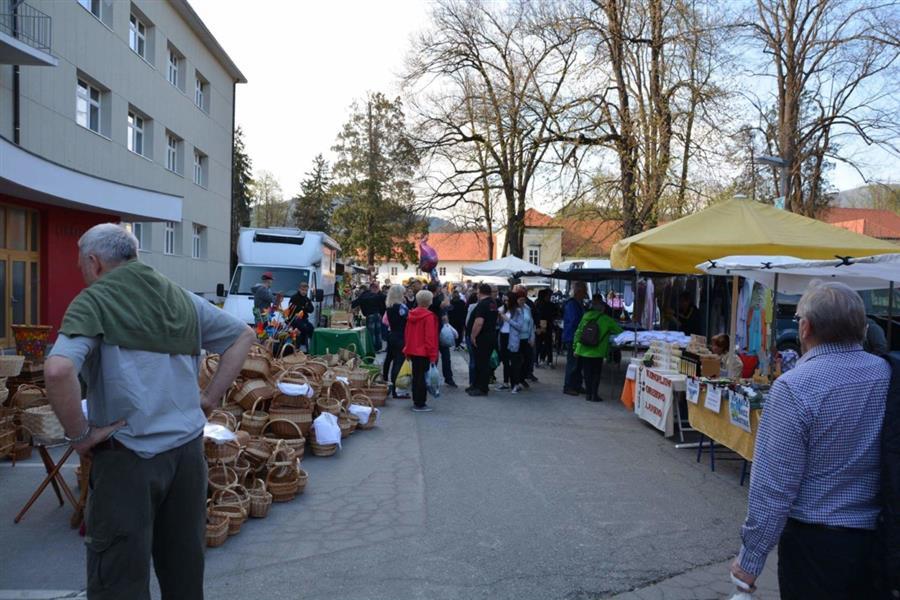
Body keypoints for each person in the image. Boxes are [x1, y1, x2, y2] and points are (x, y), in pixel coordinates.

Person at [44, 224, 255, 600]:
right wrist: (209, 398)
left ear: (94, 263)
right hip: (188, 457)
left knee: (119, 580)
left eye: (80, 266)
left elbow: (58, 371)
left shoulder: (96, 300)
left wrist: (81, 437)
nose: (83, 274)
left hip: (129, 461)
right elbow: (243, 336)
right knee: (184, 574)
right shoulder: (180, 297)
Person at [731, 282, 890, 598]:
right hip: (880, 542)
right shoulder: (888, 375)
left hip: (817, 549)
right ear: (863, 327)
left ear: (804, 327)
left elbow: (774, 487)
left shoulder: (794, 387)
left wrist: (749, 561)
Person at [574, 295, 624, 402]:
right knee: (596, 373)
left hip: (584, 350)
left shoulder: (585, 316)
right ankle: (594, 395)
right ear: (603, 308)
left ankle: (588, 394)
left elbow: (578, 332)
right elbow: (619, 331)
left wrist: (575, 347)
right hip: (598, 351)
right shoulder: (607, 320)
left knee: (587, 373)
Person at [403, 289, 438, 412]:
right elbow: (430, 338)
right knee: (422, 378)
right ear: (429, 301)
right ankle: (420, 403)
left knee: (417, 377)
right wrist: (433, 355)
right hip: (423, 351)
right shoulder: (429, 316)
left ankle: (416, 400)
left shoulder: (411, 314)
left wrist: (407, 350)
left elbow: (407, 334)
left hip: (413, 350)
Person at [466, 283, 499, 396]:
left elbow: (479, 322)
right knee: (482, 362)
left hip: (482, 337)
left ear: (480, 292)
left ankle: (482, 388)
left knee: (481, 363)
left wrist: (473, 335)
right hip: (490, 335)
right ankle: (476, 385)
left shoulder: (482, 304)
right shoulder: (493, 303)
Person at [428, 282, 457, 388]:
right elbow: (446, 304)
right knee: (437, 356)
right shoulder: (433, 299)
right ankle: (434, 378)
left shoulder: (433, 298)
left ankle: (446, 378)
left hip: (438, 330)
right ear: (436, 289)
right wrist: (445, 293)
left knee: (444, 356)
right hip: (435, 331)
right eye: (439, 287)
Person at [384, 284, 410, 399]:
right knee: (398, 362)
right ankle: (396, 390)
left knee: (389, 359)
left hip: (392, 335)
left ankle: (386, 383)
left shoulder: (389, 306)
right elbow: (408, 319)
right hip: (400, 336)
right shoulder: (401, 307)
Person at [562, 282, 588, 395]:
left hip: (576, 337)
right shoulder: (572, 304)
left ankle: (577, 385)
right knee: (573, 363)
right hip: (572, 336)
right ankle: (568, 386)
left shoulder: (577, 303)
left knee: (579, 363)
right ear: (579, 292)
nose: (586, 293)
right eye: (584, 291)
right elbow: (573, 321)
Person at [352, 282, 386, 352]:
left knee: (371, 333)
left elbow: (354, 304)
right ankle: (378, 347)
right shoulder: (377, 295)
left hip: (370, 315)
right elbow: (382, 305)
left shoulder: (363, 296)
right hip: (378, 314)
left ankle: (372, 348)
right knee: (378, 332)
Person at [287, 281, 315, 350]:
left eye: (305, 290)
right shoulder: (294, 298)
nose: (304, 292)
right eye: (302, 290)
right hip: (294, 319)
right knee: (303, 328)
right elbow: (291, 309)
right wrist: (303, 308)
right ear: (299, 289)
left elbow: (311, 309)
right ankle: (301, 346)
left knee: (311, 328)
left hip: (304, 319)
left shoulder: (306, 299)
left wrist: (304, 308)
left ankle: (311, 346)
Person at [534, 288, 557, 368]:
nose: (549, 297)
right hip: (545, 326)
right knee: (547, 344)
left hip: (541, 326)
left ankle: (537, 360)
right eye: (548, 295)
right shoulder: (547, 304)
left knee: (539, 344)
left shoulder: (537, 303)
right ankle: (548, 361)